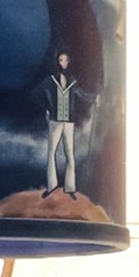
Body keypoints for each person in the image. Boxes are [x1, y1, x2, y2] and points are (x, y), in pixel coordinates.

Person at [39, 51, 89, 197]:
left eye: (66, 60)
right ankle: (51, 186)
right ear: (57, 62)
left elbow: (82, 94)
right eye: (61, 60)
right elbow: (38, 94)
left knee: (69, 155)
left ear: (69, 62)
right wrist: (46, 110)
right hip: (55, 121)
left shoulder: (73, 81)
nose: (64, 63)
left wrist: (93, 98)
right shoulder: (51, 80)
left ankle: (70, 187)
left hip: (68, 122)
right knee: (51, 153)